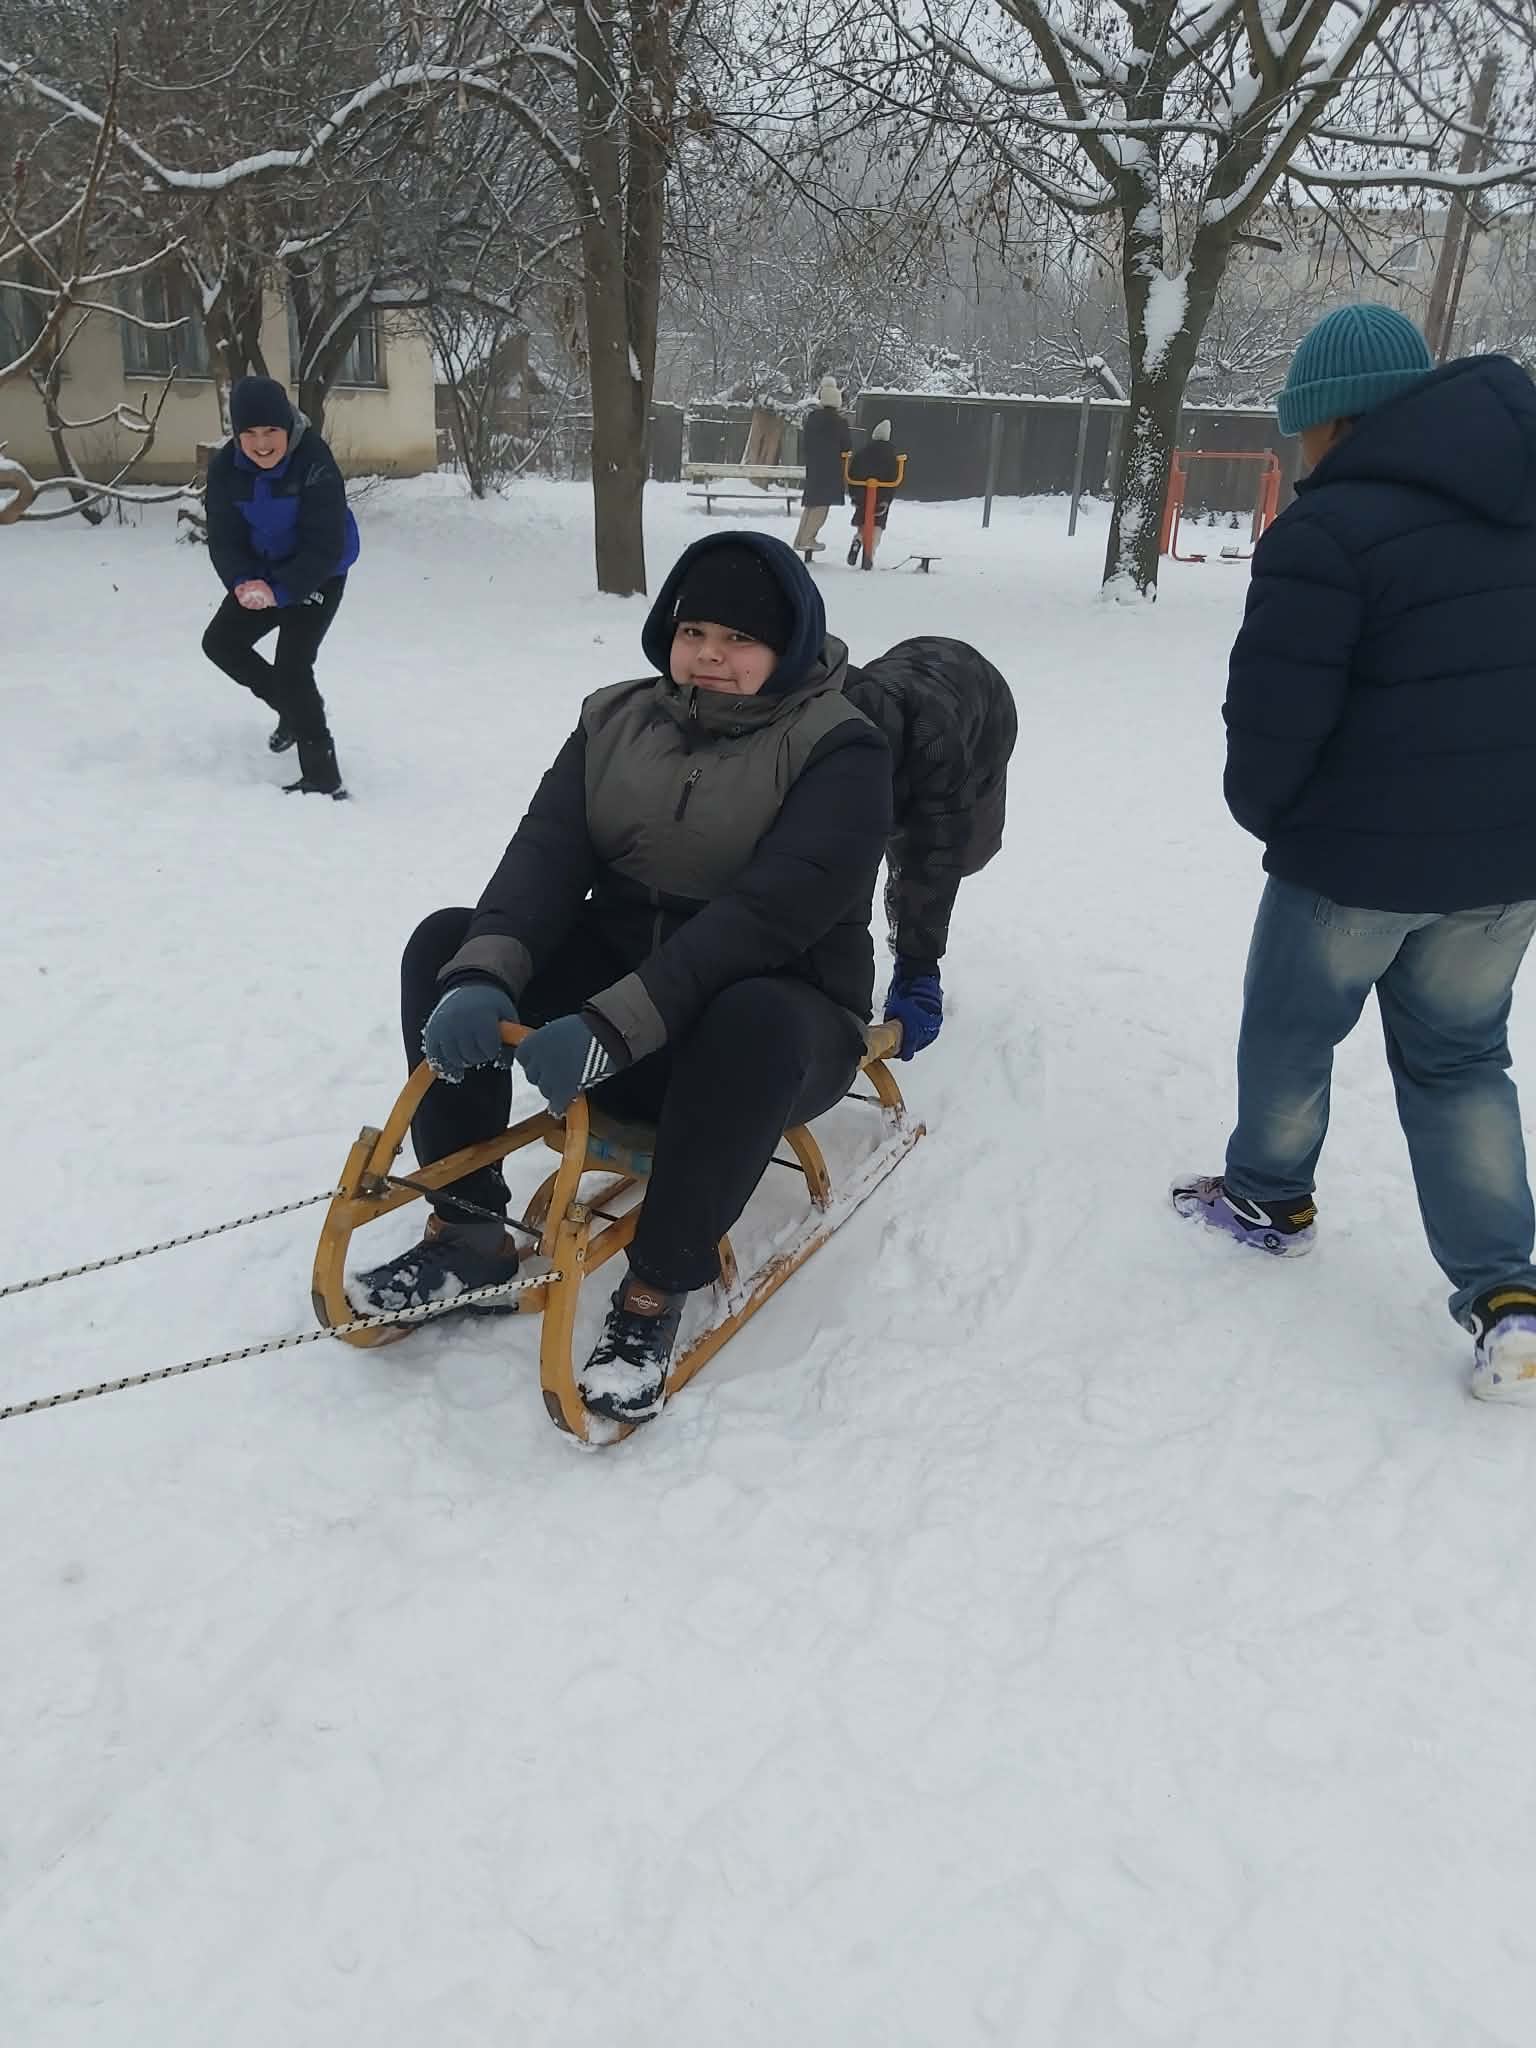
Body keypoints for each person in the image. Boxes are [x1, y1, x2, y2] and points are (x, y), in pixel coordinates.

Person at [356, 532, 892, 1425]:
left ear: (789, 645)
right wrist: (483, 974)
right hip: (625, 995)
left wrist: (614, 1025)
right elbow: (545, 858)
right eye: (695, 631)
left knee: (754, 1018)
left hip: (774, 1015)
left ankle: (655, 1289)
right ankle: (468, 1229)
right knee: (445, 941)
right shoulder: (614, 720)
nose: (711, 655)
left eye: (741, 639)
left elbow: (764, 919)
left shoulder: (843, 749)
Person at [1172, 304, 1536, 1403]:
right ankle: (1511, 1298)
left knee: (1293, 1029)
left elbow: (1274, 718)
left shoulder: (1325, 533)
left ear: (1334, 421)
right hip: (1505, 865)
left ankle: (1268, 1198)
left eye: (1303, 428)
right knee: (1461, 1060)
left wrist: (1273, 815)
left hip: (1351, 865)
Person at [844, 640, 1017, 1060]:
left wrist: (918, 965)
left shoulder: (936, 745)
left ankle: (904, 893)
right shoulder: (809, 729)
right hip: (906, 674)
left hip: (984, 708)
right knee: (856, 840)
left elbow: (938, 853)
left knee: (963, 851)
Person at [201, 374, 359, 797]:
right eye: (249, 433)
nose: (262, 443)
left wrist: (284, 590)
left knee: (292, 666)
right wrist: (242, 581)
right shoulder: (225, 469)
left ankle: (323, 777)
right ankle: (292, 710)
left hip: (320, 573)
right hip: (265, 571)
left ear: (287, 427)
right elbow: (224, 538)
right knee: (221, 643)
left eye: (271, 430)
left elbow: (326, 544)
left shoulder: (314, 460)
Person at [794, 378, 853, 556]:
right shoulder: (839, 422)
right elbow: (846, 446)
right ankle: (808, 539)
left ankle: (800, 539)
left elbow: (804, 443)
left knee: (811, 504)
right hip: (830, 468)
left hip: (814, 466)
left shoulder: (811, 419)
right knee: (821, 506)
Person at [846, 419, 903, 567]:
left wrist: (854, 494)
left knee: (864, 519)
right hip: (881, 495)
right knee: (878, 524)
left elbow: (853, 472)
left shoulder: (863, 452)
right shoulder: (891, 456)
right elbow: (893, 477)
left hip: (861, 493)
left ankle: (858, 539)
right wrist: (887, 499)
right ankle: (869, 555)